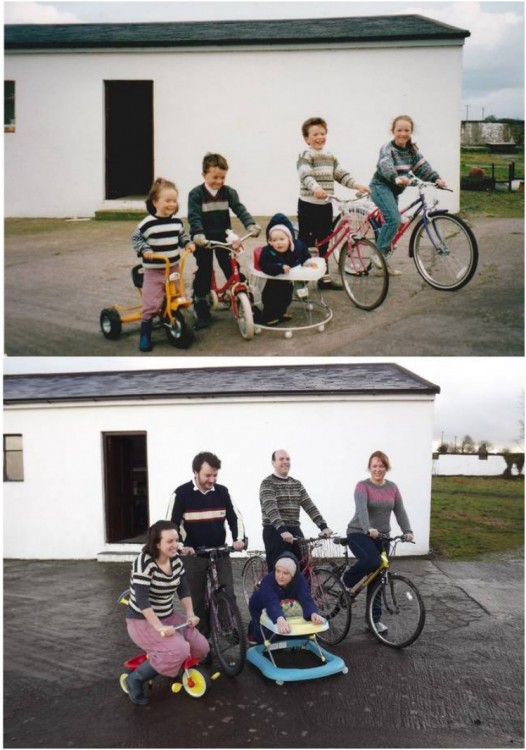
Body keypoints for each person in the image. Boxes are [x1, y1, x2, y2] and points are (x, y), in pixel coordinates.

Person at [123, 520, 209, 706]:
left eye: (176, 540)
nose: (175, 545)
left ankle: (172, 666)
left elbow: (183, 589)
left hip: (168, 616)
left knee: (201, 646)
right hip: (142, 621)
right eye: (169, 541)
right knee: (178, 650)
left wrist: (190, 614)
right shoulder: (143, 563)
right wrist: (159, 626)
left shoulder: (176, 560)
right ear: (156, 543)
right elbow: (142, 600)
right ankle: (135, 679)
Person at [169, 451, 246, 635]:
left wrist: (239, 539)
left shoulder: (222, 492)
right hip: (193, 555)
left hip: (219, 551)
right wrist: (180, 546)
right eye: (208, 475)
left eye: (215, 475)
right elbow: (171, 526)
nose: (212, 479)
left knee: (227, 593)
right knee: (195, 600)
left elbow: (235, 518)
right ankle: (203, 640)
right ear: (196, 472)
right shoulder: (181, 494)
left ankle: (227, 630)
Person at [341, 450, 414, 633]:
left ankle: (374, 620)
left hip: (382, 537)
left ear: (386, 467)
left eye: (381, 466)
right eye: (374, 466)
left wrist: (407, 530)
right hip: (358, 532)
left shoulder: (392, 487)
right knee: (372, 561)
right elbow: (362, 510)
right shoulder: (362, 486)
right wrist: (367, 529)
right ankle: (346, 580)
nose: (378, 469)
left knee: (379, 577)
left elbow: (400, 511)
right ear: (369, 467)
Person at [188, 153, 261, 329]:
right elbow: (194, 216)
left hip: (223, 237)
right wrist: (198, 234)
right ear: (203, 174)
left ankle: (248, 303)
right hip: (203, 239)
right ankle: (202, 309)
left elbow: (239, 209)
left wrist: (250, 224)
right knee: (204, 271)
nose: (219, 181)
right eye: (215, 177)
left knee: (232, 268)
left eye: (222, 177)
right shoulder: (196, 194)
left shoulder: (228, 192)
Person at [297, 116, 370, 290]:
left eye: (322, 133)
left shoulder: (330, 156)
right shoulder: (305, 155)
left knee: (324, 240)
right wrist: (315, 188)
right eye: (315, 134)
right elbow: (305, 174)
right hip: (308, 204)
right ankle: (301, 277)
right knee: (306, 242)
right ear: (307, 138)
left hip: (325, 205)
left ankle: (324, 277)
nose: (319, 137)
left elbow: (340, 174)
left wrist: (356, 184)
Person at [369, 114, 447, 276]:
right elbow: (386, 165)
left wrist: (436, 178)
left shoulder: (411, 150)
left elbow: (422, 167)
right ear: (393, 131)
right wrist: (395, 177)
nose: (403, 133)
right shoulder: (387, 149)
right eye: (399, 130)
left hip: (394, 190)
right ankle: (379, 254)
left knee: (396, 223)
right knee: (394, 219)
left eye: (407, 130)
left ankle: (382, 264)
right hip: (381, 186)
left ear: (411, 132)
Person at [131, 177, 196, 353]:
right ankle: (145, 332)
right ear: (155, 202)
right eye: (167, 200)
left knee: (176, 294)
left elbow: (182, 236)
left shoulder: (176, 222)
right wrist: (145, 249)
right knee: (151, 302)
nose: (172, 204)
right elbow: (136, 238)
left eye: (174, 201)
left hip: (173, 267)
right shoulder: (147, 223)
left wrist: (188, 243)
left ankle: (172, 317)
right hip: (154, 270)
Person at [260, 449, 333, 570]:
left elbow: (309, 506)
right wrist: (282, 530)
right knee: (280, 571)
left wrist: (323, 526)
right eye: (281, 459)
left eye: (287, 459)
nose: (285, 462)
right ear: (273, 463)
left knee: (303, 567)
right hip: (274, 530)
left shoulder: (297, 484)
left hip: (294, 529)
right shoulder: (267, 483)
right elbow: (271, 509)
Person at [253, 213, 318, 326]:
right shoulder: (268, 252)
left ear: (289, 239)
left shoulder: (297, 246)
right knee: (272, 299)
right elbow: (265, 265)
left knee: (286, 298)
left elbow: (304, 255)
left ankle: (281, 313)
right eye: (274, 240)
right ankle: (268, 317)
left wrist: (308, 263)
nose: (278, 243)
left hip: (288, 281)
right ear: (270, 241)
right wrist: (279, 267)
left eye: (282, 239)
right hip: (274, 281)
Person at [247, 551, 325, 644]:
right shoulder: (268, 580)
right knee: (267, 634)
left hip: (284, 606)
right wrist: (279, 618)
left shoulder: (300, 580)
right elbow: (271, 602)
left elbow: (306, 598)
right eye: (278, 571)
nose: (280, 576)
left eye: (285, 573)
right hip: (260, 606)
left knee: (296, 632)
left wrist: (313, 613)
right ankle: (253, 629)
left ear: (292, 574)